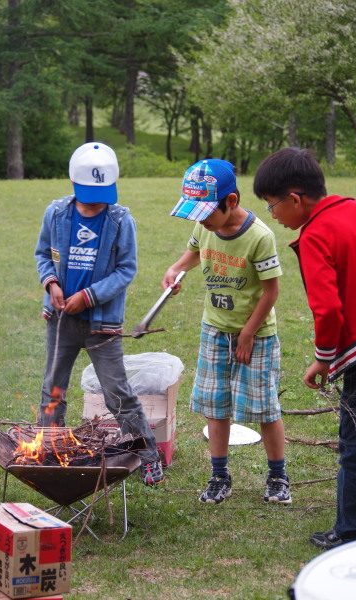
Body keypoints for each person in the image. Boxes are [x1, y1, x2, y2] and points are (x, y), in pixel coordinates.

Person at [253, 147, 356, 549]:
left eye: (272, 206)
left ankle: (350, 533)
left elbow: (327, 311)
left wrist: (322, 360)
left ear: (295, 198)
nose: (272, 215)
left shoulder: (314, 236)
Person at [162, 158, 291, 505]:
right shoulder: (205, 225)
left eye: (205, 212)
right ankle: (219, 475)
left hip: (256, 335)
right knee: (216, 405)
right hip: (214, 330)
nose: (200, 220)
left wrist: (248, 334)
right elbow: (193, 251)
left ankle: (278, 476)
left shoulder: (259, 237)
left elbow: (271, 291)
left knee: (265, 407)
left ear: (231, 201)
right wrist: (176, 268)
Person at [34, 141, 164, 486]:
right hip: (61, 320)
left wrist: (88, 297)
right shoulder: (57, 214)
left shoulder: (121, 221)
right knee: (53, 388)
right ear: (75, 185)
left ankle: (148, 453)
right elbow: (43, 254)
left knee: (117, 391)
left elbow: (125, 270)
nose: (97, 200)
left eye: (103, 193)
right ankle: (48, 447)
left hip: (101, 325)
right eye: (89, 193)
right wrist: (52, 284)